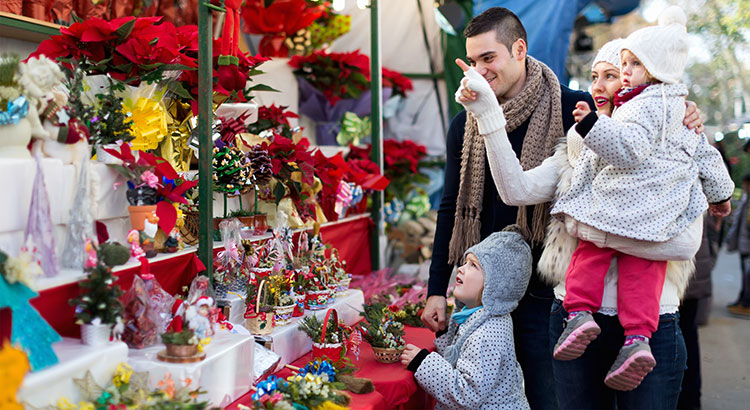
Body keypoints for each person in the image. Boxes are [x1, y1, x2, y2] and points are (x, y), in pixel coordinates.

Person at [457, 31, 709, 409]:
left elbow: (683, 244)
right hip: (573, 320)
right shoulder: (578, 148)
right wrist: (488, 113)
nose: (601, 86)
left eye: (613, 75)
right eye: (595, 77)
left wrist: (584, 226)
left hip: (652, 326)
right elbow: (516, 191)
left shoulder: (673, 152)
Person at [548, 6, 733, 390]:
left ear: (654, 68)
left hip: (618, 208)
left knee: (591, 248)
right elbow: (707, 157)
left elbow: (627, 148)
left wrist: (591, 126)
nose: (624, 73)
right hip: (657, 223)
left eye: (629, 66)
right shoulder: (681, 112)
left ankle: (579, 314)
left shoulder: (637, 108)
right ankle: (638, 340)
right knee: (645, 270)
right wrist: (722, 195)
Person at [421, 8, 594, 408]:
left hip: (546, 293)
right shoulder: (463, 125)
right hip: (486, 298)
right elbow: (451, 208)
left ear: (519, 49)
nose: (479, 70)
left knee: (547, 396)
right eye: (473, 60)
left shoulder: (574, 108)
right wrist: (436, 289)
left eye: (489, 58)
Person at [403, 227, 531, 409]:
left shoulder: (488, 335)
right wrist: (445, 333)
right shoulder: (479, 316)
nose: (461, 269)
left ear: (494, 284)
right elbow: (465, 357)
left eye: (473, 265)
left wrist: (423, 363)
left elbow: (466, 393)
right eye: (465, 263)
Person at [678, 214, 722, 409]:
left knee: (678, 338)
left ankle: (687, 401)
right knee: (687, 336)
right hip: (693, 266)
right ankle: (691, 401)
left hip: (679, 269)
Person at [726, 174, 750, 318]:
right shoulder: (746, 198)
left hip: (747, 245)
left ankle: (747, 304)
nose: (745, 187)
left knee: (748, 277)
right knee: (744, 276)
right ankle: (742, 300)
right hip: (743, 244)